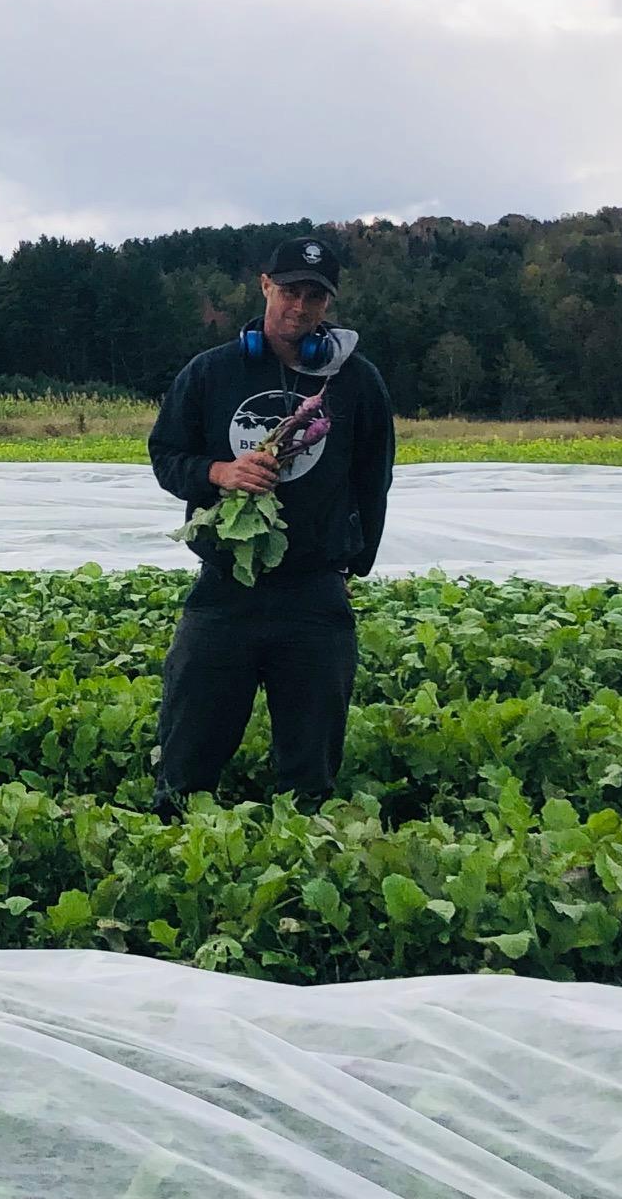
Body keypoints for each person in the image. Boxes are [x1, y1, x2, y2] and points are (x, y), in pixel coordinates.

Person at [145, 236, 394, 818]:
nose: (299, 308)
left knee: (310, 775)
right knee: (186, 759)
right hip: (225, 587)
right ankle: (178, 850)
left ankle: (299, 872)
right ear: (264, 287)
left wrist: (353, 565)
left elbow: (372, 479)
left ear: (328, 304)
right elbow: (166, 456)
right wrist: (220, 472)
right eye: (289, 292)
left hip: (314, 592)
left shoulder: (357, 382)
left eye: (314, 297)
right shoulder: (212, 372)